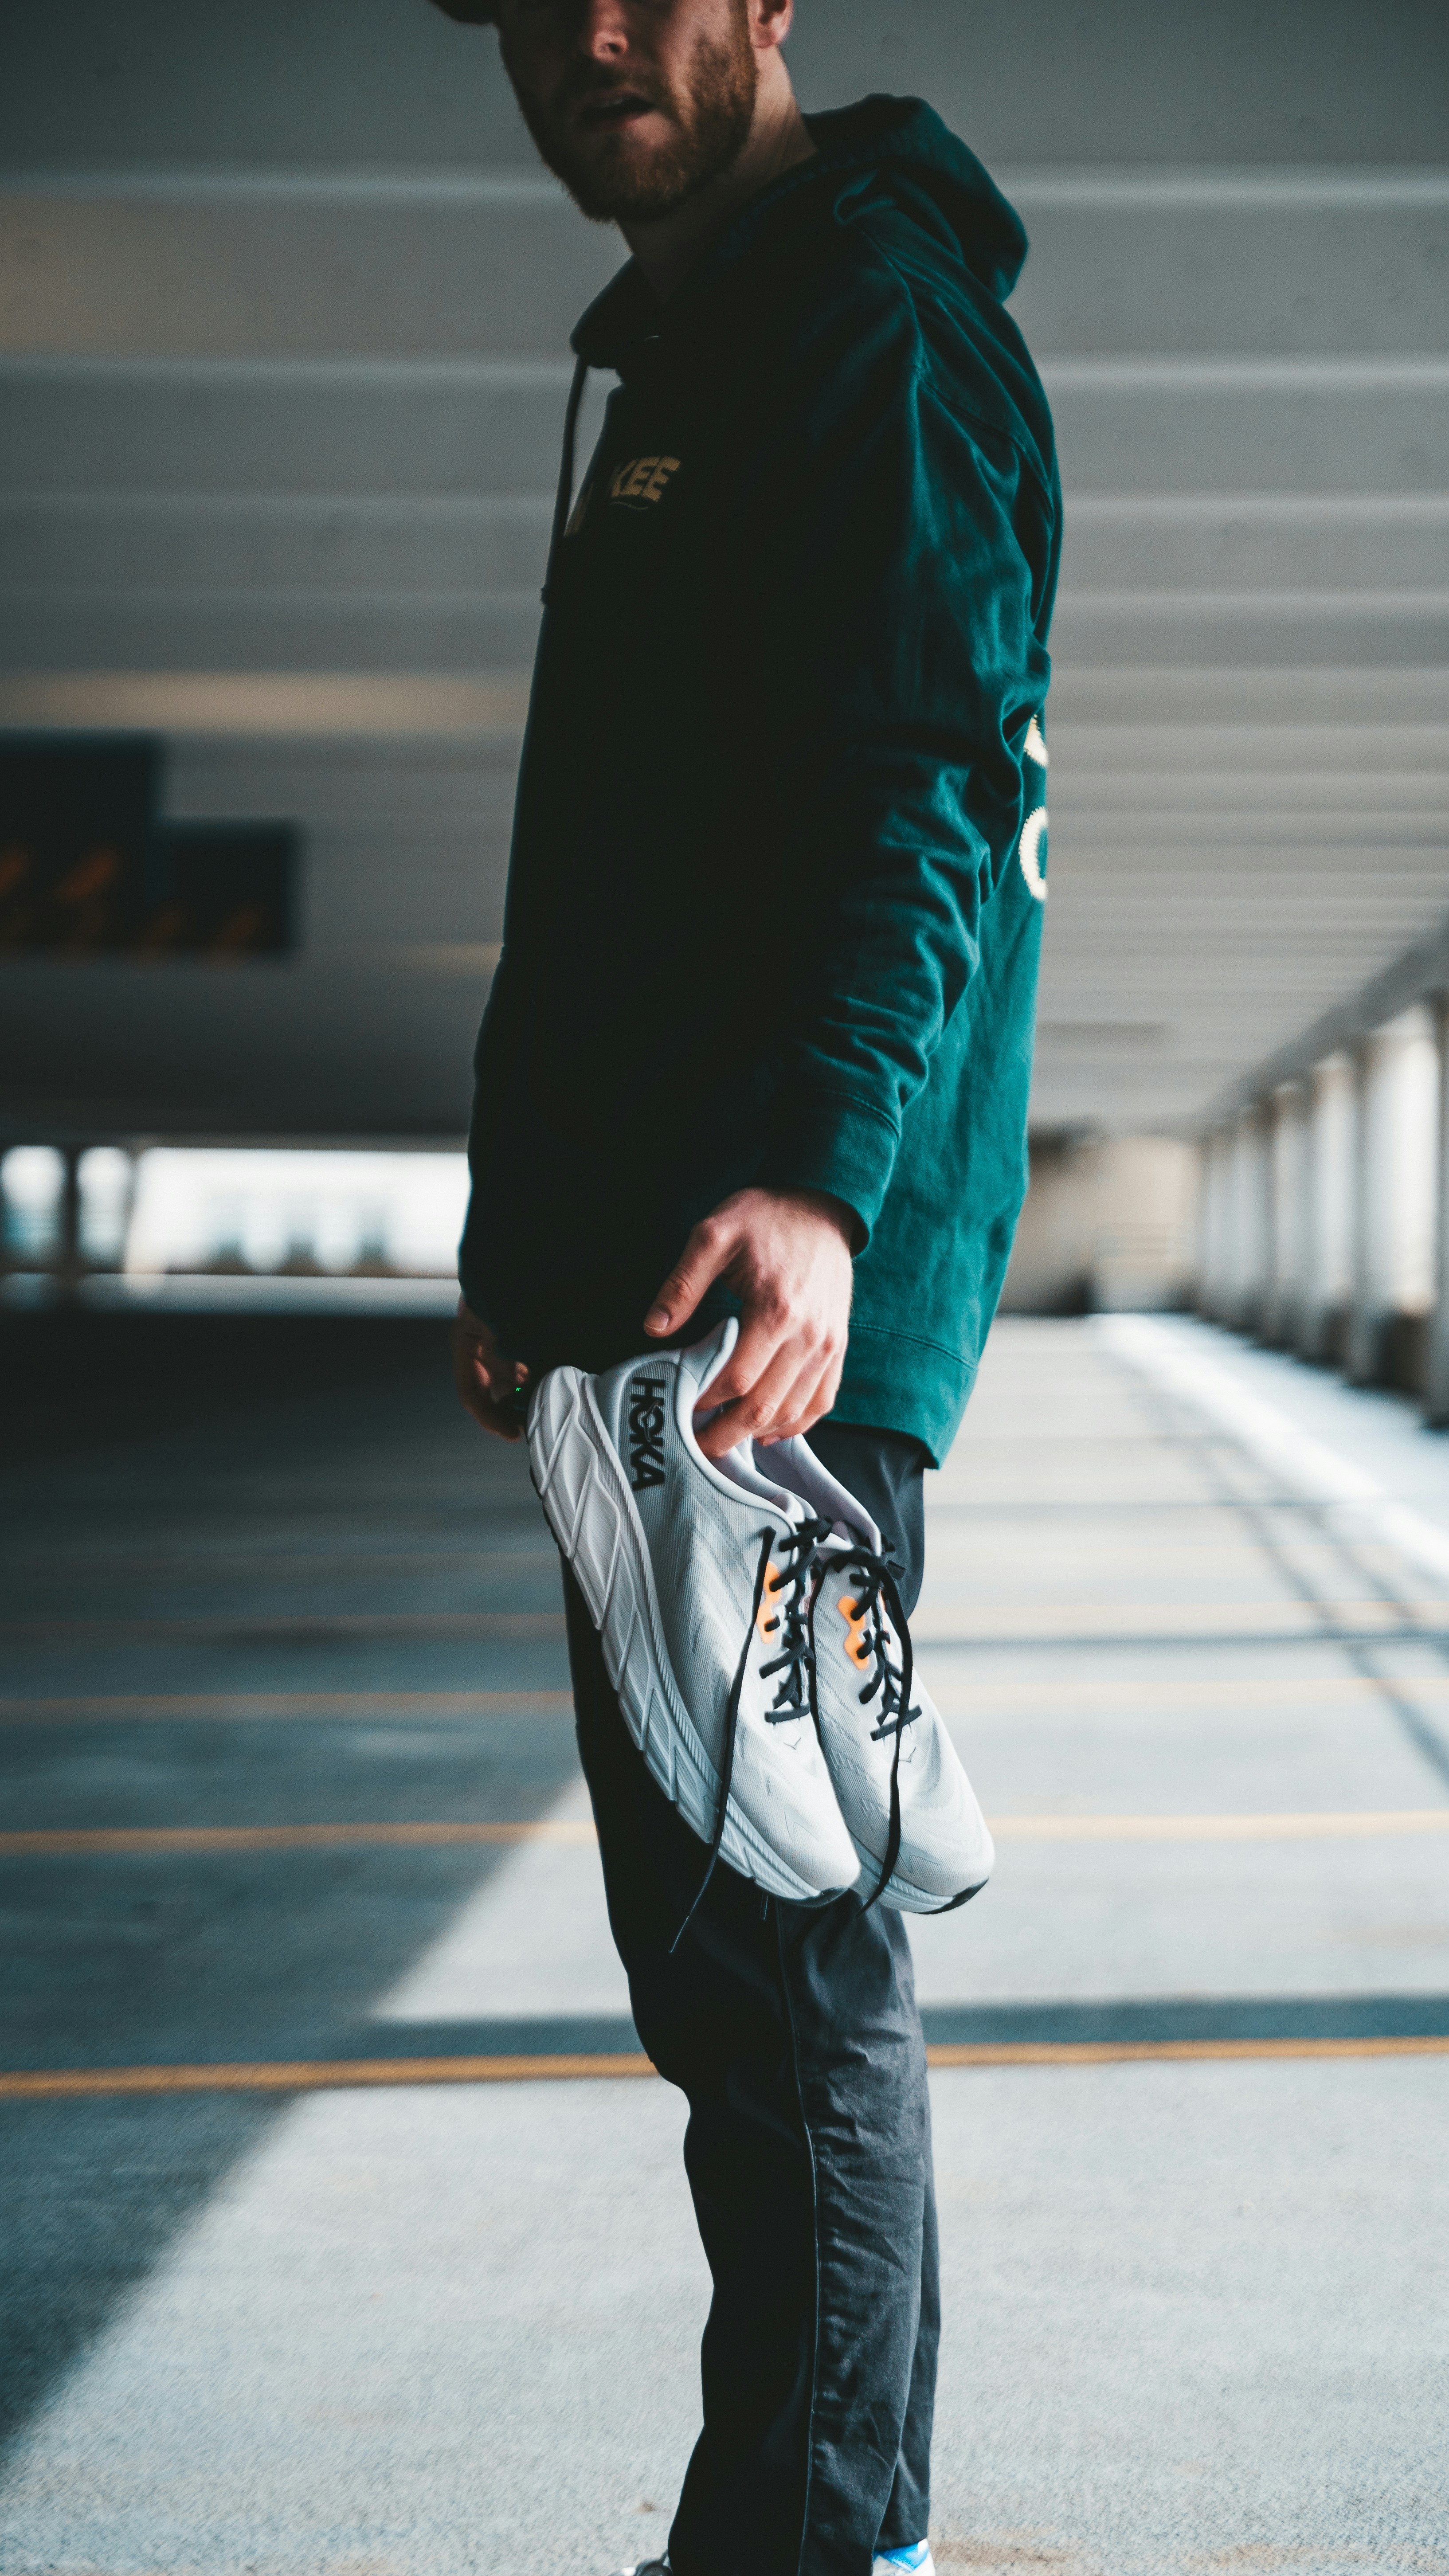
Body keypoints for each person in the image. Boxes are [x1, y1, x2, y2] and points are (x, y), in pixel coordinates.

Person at [440, 5, 1059, 2571]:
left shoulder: (864, 317)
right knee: (735, 1987)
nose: (595, 28)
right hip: (653, 1294)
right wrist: (521, 1234)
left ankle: (814, 2539)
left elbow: (925, 768)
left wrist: (816, 1180)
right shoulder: (696, 342)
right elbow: (613, 860)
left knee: (781, 1980)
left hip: (762, 1315)